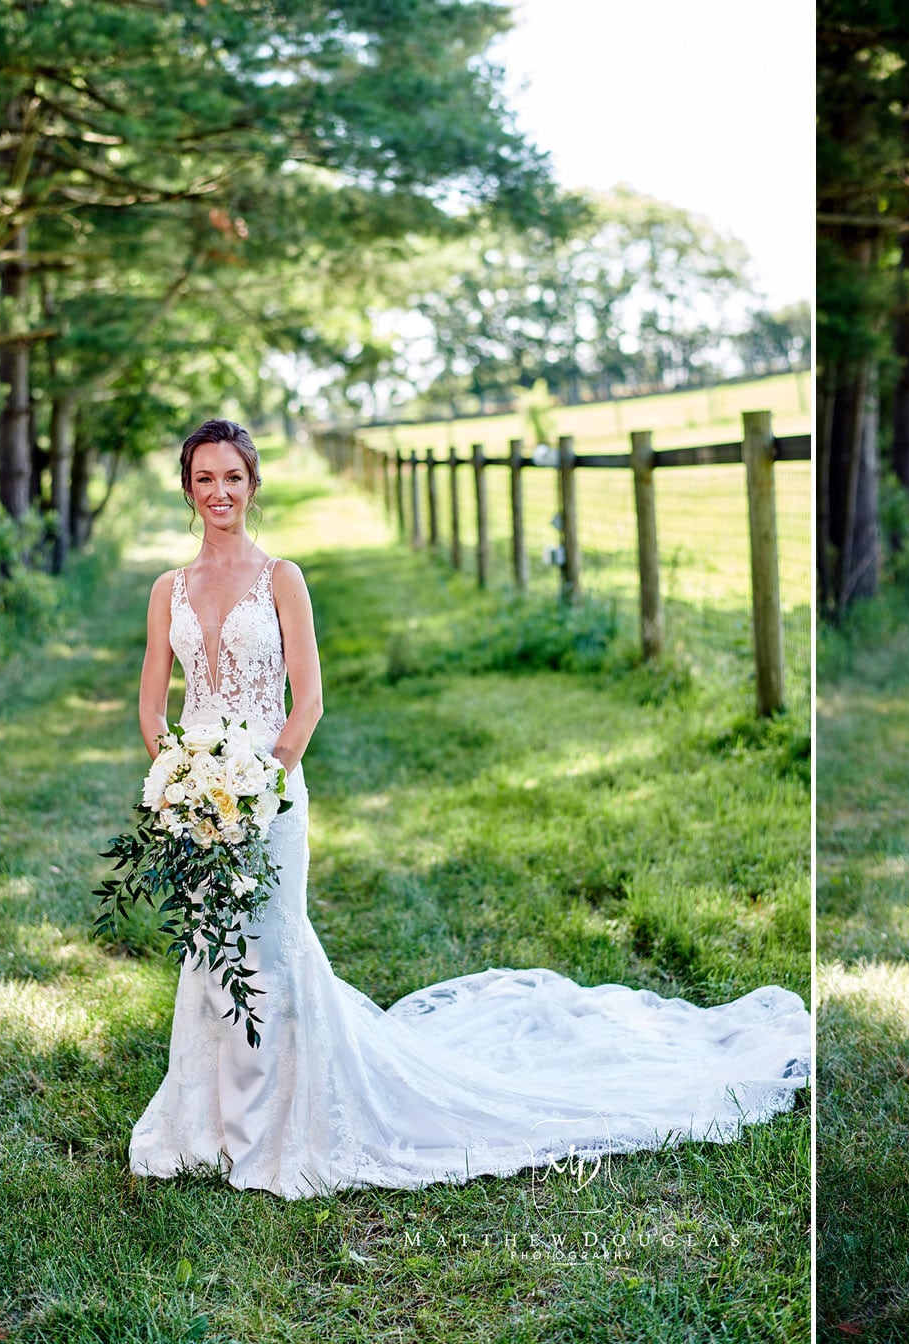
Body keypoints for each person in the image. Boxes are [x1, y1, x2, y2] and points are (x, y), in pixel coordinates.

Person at [129, 418, 810, 1199]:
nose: (220, 493)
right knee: (211, 948)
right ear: (187, 487)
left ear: (253, 485)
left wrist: (260, 792)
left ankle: (267, 1133)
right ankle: (202, 1125)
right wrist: (183, 782)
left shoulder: (282, 577)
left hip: (268, 795)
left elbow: (308, 701)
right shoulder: (167, 591)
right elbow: (154, 705)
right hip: (197, 802)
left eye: (233, 478)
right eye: (205, 479)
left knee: (272, 953)